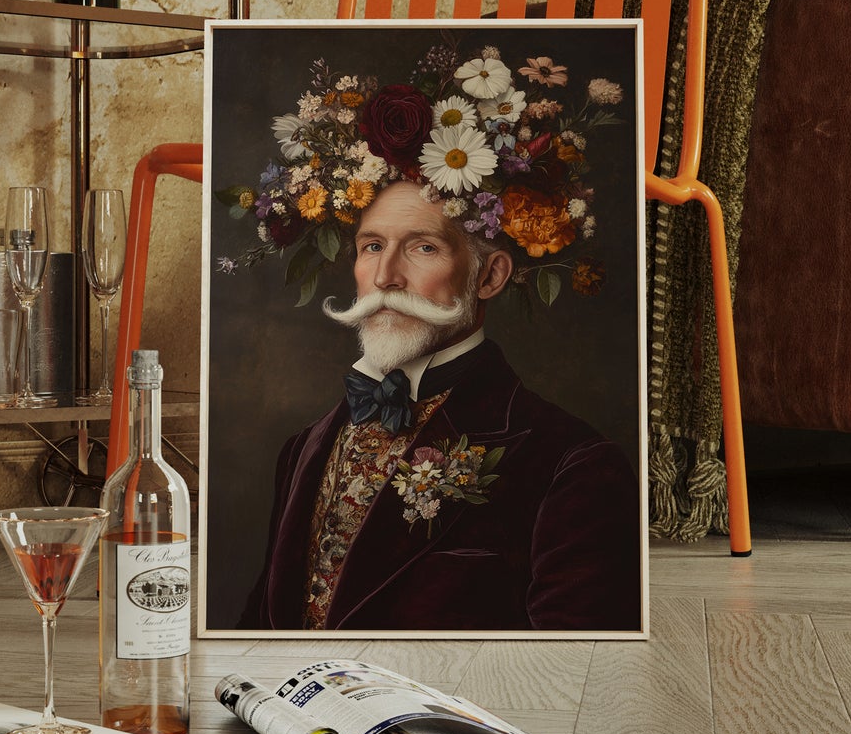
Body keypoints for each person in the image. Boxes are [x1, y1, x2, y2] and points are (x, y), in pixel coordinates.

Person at [237, 177, 642, 631]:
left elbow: (577, 664)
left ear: (489, 276)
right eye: (372, 246)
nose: (386, 277)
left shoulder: (574, 464)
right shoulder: (301, 448)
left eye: (423, 248)